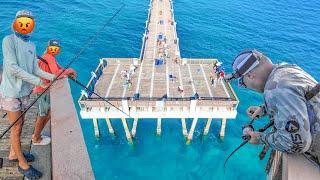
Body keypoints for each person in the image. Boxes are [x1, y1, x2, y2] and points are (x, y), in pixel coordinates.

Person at [226, 49, 320, 166]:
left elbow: (297, 144)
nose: (246, 87)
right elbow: (300, 98)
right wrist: (264, 109)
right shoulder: (286, 68)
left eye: (243, 83)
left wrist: (260, 138)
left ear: (250, 75)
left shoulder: (275, 90)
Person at [0, 10, 55, 179]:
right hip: (11, 93)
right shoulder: (8, 40)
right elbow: (12, 68)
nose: (25, 26)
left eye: (29, 23)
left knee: (21, 124)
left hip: (25, 92)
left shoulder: (31, 45)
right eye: (22, 22)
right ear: (14, 24)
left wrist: (52, 76)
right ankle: (23, 165)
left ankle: (13, 154)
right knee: (16, 127)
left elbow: (35, 69)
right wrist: (38, 82)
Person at [32, 40, 76, 146]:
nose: (54, 51)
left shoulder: (46, 56)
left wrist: (66, 71)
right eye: (52, 48)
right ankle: (36, 138)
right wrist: (70, 70)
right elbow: (56, 73)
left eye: (56, 49)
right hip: (43, 90)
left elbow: (58, 69)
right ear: (48, 48)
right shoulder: (50, 58)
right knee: (42, 115)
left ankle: (37, 135)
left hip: (43, 89)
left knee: (47, 113)